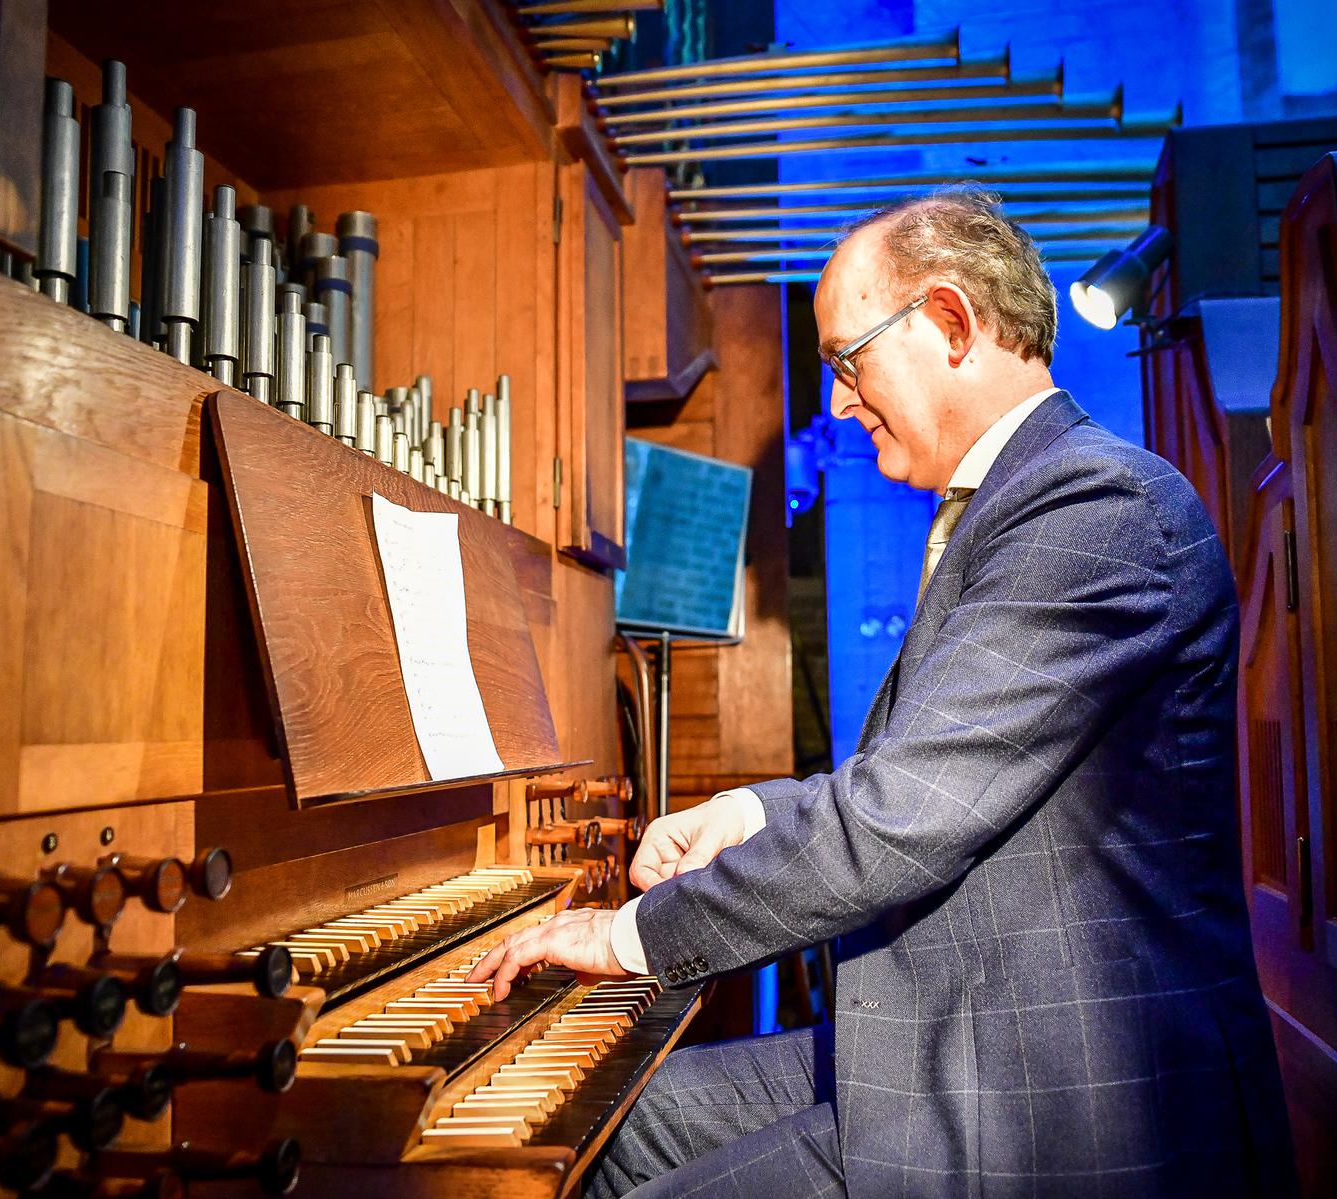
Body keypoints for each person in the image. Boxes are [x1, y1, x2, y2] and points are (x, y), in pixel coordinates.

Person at [468, 187, 1295, 1198]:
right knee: (601, 1126)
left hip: (1053, 1095)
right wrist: (742, 811)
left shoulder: (1094, 505)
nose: (839, 404)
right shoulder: (1015, 507)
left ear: (949, 322)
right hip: (960, 1029)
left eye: (846, 361)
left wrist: (627, 933)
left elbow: (901, 817)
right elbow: (914, 780)